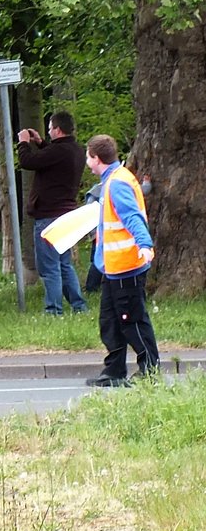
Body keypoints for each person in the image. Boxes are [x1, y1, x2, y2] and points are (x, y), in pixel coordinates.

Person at [84, 135, 159, 386]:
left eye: (88, 156)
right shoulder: (113, 180)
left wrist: (145, 245)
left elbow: (133, 218)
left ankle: (149, 372)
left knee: (132, 321)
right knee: (110, 322)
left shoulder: (117, 183)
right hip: (113, 267)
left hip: (127, 266)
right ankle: (114, 372)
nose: (87, 161)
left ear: (96, 159)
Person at [17, 110, 88, 315]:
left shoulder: (59, 152)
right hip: (66, 214)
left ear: (57, 129)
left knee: (49, 267)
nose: (48, 133)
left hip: (48, 216)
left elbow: (29, 162)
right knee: (64, 263)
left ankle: (53, 310)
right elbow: (50, 158)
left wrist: (23, 143)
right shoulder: (74, 150)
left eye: (49, 129)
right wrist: (39, 142)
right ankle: (79, 306)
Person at [84, 172, 151, 293]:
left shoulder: (101, 189)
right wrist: (147, 183)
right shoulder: (112, 187)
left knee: (96, 261)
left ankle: (93, 287)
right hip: (102, 235)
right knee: (96, 262)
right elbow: (143, 190)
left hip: (103, 235)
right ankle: (91, 287)